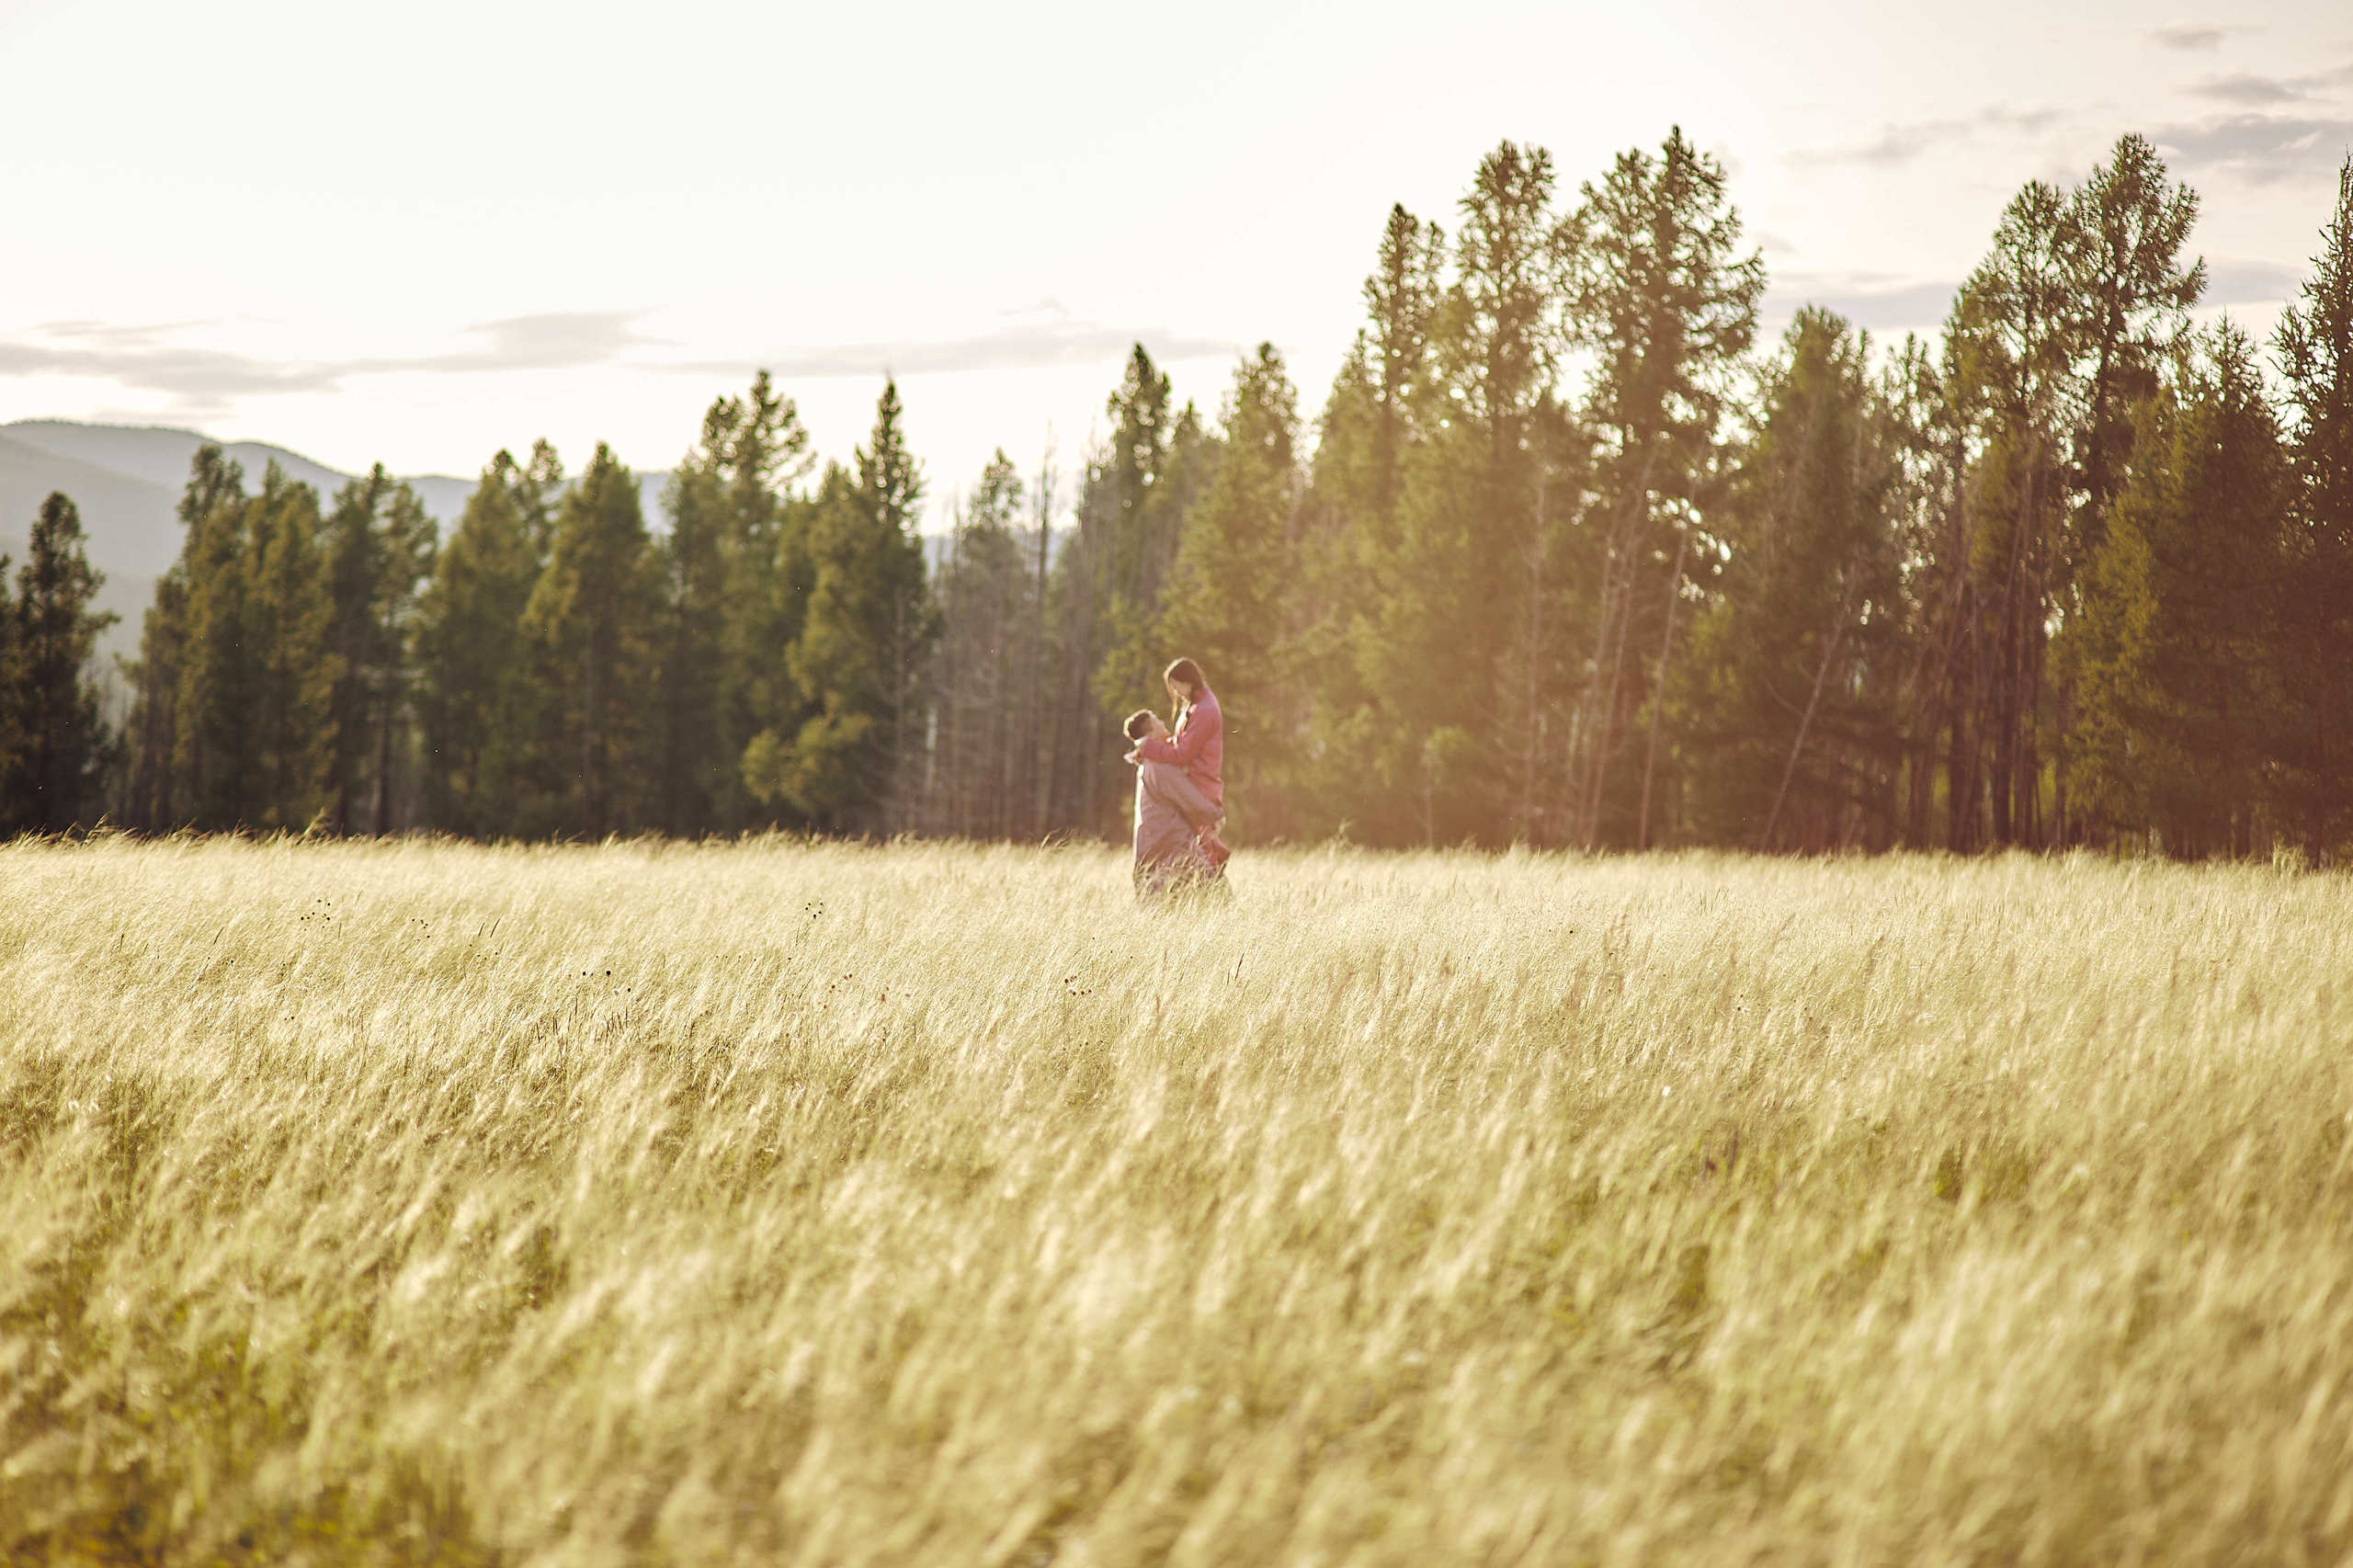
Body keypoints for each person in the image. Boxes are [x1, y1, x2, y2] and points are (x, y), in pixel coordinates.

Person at [1131, 656, 1230, 870]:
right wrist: (1151, 750)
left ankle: (1212, 883)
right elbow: (1181, 744)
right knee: (1204, 846)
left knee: (1207, 845)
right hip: (1193, 779)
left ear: (1188, 681)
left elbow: (1184, 753)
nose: (1176, 691)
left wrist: (1149, 748)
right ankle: (1211, 883)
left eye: (1177, 686)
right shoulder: (1194, 706)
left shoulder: (1204, 710)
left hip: (1201, 781)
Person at [1124, 709, 1222, 900]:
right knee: (1215, 895)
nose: (1162, 722)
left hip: (1155, 850)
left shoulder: (1147, 764)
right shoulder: (1160, 766)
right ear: (1150, 734)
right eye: (1157, 721)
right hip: (1173, 848)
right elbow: (1190, 799)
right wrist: (1216, 814)